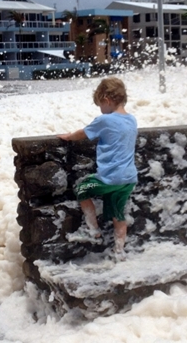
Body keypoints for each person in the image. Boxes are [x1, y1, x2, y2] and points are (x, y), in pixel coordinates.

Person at [58, 77, 137, 260]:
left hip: (109, 178)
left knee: (82, 189)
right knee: (118, 214)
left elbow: (83, 133)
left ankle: (93, 230)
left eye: (100, 104)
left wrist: (68, 137)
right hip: (128, 179)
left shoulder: (104, 120)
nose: (100, 109)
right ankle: (119, 251)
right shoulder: (132, 120)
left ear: (107, 100)